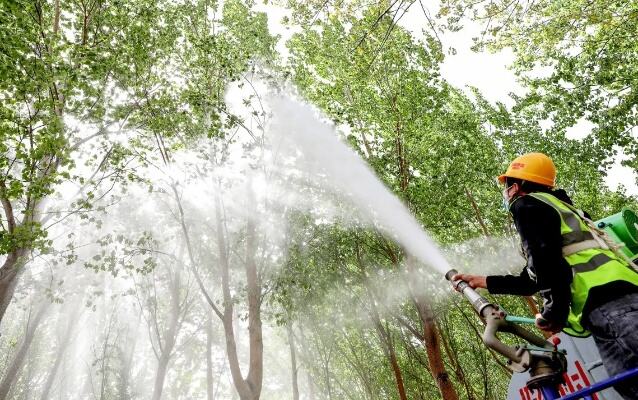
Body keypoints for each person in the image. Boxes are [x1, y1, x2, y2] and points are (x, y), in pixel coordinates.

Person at [452, 152, 638, 399]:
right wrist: (483, 282)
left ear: (516, 186)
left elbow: (547, 266)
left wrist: (553, 313)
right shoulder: (565, 209)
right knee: (628, 384)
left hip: (608, 306)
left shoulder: (526, 206)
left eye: (507, 186)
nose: (506, 193)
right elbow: (536, 277)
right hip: (623, 299)